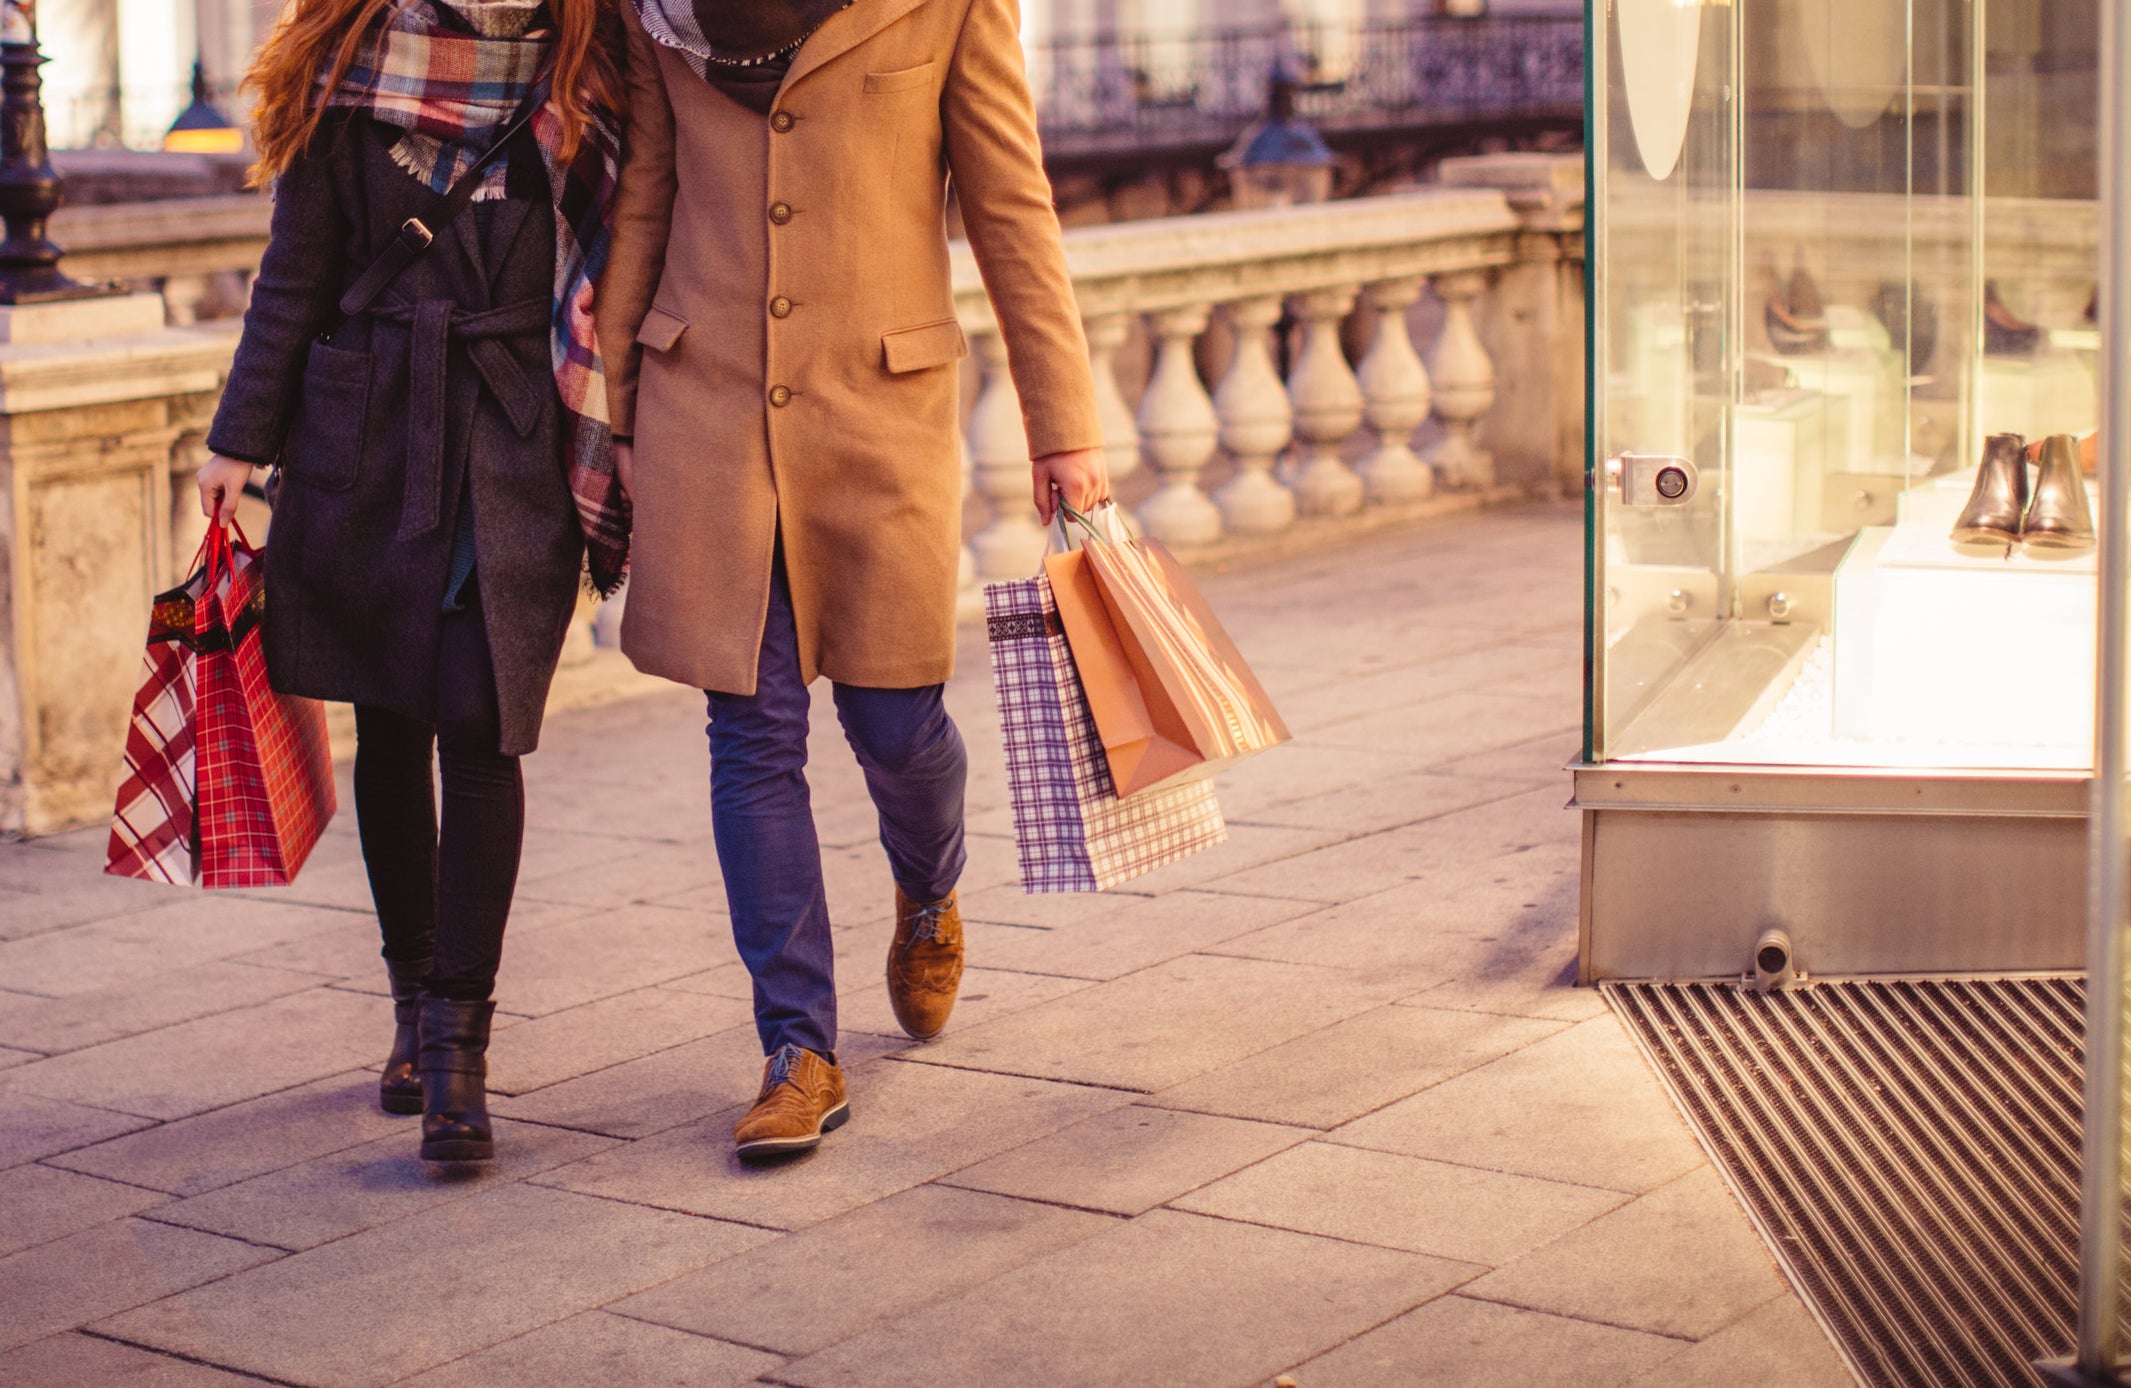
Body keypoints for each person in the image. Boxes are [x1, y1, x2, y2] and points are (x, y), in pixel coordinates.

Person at [597, 0, 1108, 1160]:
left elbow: (1011, 210)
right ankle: (798, 1049)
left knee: (895, 719)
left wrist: (1062, 427)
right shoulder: (657, 9)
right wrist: (616, 407)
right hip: (705, 400)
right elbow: (647, 191)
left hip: (879, 409)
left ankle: (928, 888)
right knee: (751, 727)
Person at [193, 0, 630, 1163]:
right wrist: (236, 440)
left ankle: (458, 1054)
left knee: (486, 731)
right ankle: (410, 1006)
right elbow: (295, 276)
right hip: (370, 436)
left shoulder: (585, 71)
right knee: (389, 727)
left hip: (514, 444)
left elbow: (624, 266)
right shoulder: (351, 70)